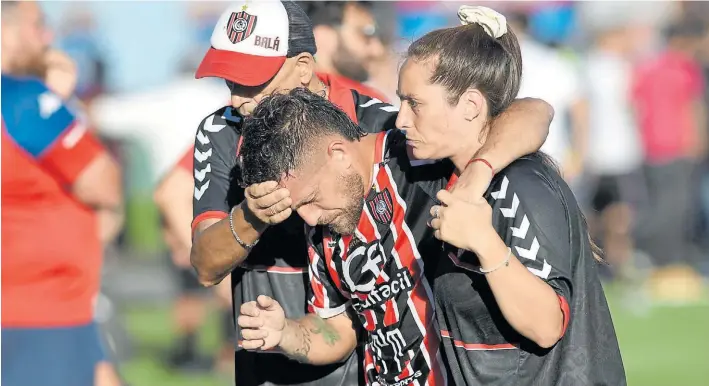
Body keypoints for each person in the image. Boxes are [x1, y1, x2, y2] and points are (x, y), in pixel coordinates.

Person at [238, 5, 625, 385]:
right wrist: (285, 333)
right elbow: (341, 324)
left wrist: (477, 187)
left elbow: (533, 111)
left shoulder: (449, 169)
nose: (402, 118)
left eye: (414, 103)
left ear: (337, 155)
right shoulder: (338, 208)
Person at [407, 6, 626, 384]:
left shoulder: (520, 185)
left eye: (414, 104)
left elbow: (546, 325)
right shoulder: (435, 172)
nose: (401, 119)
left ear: (472, 106)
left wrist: (484, 242)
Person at [1, 2, 123, 385]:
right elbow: (102, 181)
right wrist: (58, 100)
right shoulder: (21, 99)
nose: (48, 38)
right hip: (37, 312)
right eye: (37, 26)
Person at [297, 1, 389, 101]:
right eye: (365, 34)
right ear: (323, 36)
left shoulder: (285, 91)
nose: (378, 50)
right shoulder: (366, 102)